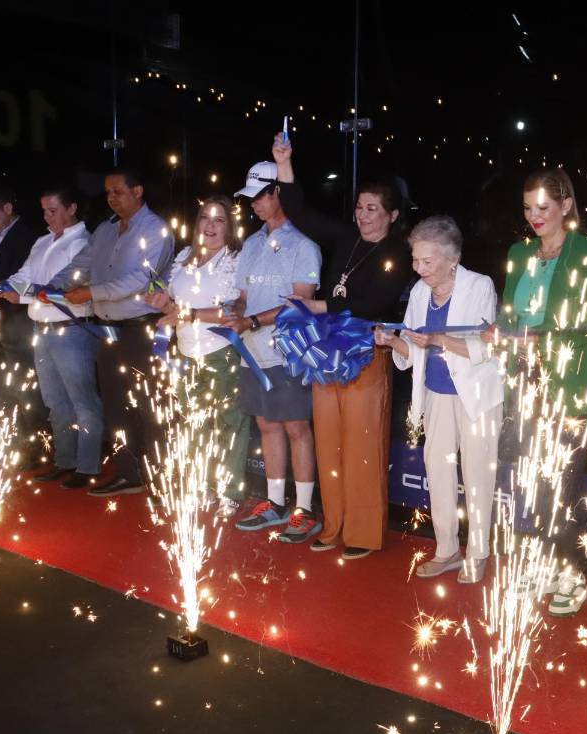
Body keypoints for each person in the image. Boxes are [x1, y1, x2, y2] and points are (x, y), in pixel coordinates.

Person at [270, 133, 410, 560]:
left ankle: (364, 534)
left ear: (392, 214)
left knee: (362, 447)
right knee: (328, 441)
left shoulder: (398, 254)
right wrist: (284, 163)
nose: (363, 216)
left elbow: (375, 303)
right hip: (324, 351)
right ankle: (333, 525)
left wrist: (320, 303)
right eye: (359, 207)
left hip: (366, 353)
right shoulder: (347, 238)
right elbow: (300, 212)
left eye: (373, 209)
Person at [495, 167, 587, 615]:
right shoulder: (518, 251)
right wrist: (506, 335)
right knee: (531, 486)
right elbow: (509, 315)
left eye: (543, 207)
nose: (534, 217)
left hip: (573, 384)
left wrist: (533, 336)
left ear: (566, 204)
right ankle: (540, 565)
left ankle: (571, 572)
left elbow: (584, 318)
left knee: (562, 485)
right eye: (528, 208)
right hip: (525, 384)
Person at [384, 216, 502, 584]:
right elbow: (411, 346)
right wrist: (392, 342)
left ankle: (478, 551)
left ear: (452, 258)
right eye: (415, 261)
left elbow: (487, 346)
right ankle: (447, 548)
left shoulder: (479, 286)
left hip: (476, 396)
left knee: (478, 474)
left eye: (427, 262)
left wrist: (438, 340)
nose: (419, 270)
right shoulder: (419, 293)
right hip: (435, 393)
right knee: (438, 471)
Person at [57, 168, 175, 496]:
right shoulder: (106, 230)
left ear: (137, 190)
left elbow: (140, 280)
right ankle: (129, 472)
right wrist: (51, 285)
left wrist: (92, 292)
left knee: (150, 405)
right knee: (114, 404)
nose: (111, 197)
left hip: (143, 330)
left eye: (117, 191)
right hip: (108, 331)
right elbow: (82, 262)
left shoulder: (156, 230)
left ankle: (163, 475)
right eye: (108, 192)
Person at [223, 161, 323, 542]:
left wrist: (252, 321)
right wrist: (232, 312)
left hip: (289, 352)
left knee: (296, 426)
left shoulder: (304, 244)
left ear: (277, 192)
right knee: (267, 424)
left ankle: (304, 509)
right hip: (252, 351)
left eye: (259, 197)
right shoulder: (251, 243)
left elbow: (301, 302)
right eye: (250, 200)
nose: (254, 205)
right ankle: (275, 502)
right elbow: (244, 296)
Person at [0, 186, 99, 488]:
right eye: (44, 211)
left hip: (72, 330)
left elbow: (59, 289)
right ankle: (65, 460)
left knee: (82, 401)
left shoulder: (84, 243)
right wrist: (0, 286)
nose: (47, 217)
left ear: (72, 208)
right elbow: (24, 275)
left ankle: (87, 465)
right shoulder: (42, 241)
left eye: (53, 210)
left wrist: (19, 295)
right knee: (54, 400)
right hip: (42, 329)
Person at [147, 196, 250, 517]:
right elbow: (174, 308)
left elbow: (233, 311)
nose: (210, 225)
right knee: (194, 423)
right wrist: (162, 303)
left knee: (230, 424)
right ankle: (202, 486)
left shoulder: (236, 260)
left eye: (219, 220)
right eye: (205, 217)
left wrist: (187, 314)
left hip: (222, 353)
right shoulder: (182, 258)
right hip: (186, 352)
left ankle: (230, 492)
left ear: (230, 228)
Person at [0, 184, 43, 463]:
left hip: (16, 323)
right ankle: (3, 440)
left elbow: (27, 280)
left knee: (23, 384)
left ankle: (34, 443)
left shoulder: (30, 239)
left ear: (8, 208)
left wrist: (1, 287)